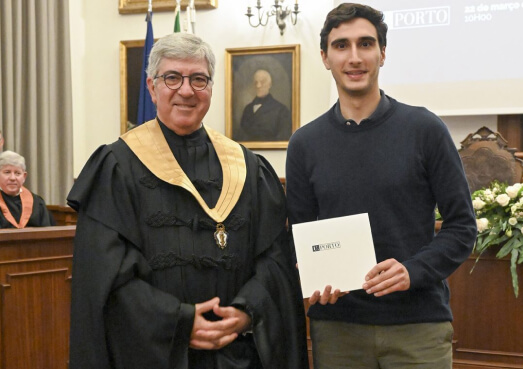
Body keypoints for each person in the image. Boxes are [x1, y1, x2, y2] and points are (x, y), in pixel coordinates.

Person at [67, 32, 308, 369]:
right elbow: (106, 279)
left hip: (237, 353)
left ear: (210, 88)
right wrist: (178, 322)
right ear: (152, 88)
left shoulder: (247, 168)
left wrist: (246, 311)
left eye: (198, 79)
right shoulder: (118, 168)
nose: (186, 90)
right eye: (172, 78)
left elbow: (274, 261)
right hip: (154, 354)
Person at [286, 3, 477, 369]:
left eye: (366, 44)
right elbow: (300, 234)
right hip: (338, 328)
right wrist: (310, 272)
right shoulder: (304, 144)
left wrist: (413, 271)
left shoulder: (425, 129)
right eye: (341, 46)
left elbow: (462, 227)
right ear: (325, 57)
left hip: (418, 324)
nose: (354, 57)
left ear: (383, 54)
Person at [0, 150, 55, 228]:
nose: (12, 178)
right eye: (7, 172)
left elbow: (47, 234)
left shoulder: (37, 202)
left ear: (24, 176)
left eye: (17, 173)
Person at [237, 69, 292, 141]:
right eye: (256, 82)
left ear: (269, 84)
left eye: (262, 82)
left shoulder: (281, 110)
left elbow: (282, 139)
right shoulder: (247, 109)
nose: (258, 85)